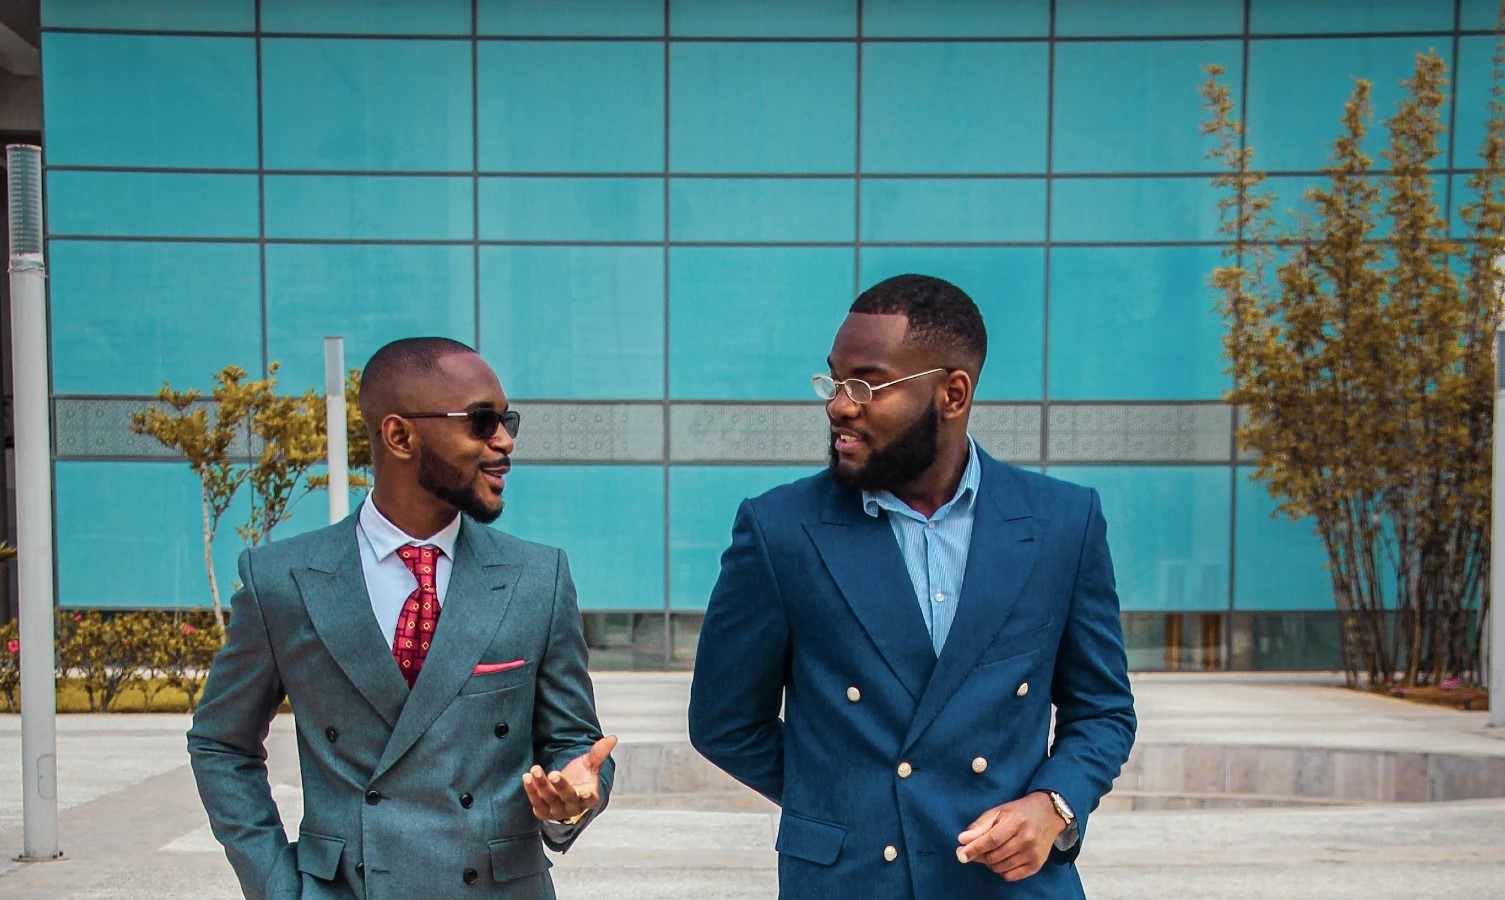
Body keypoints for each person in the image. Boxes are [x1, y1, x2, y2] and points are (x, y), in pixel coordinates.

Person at [688, 274, 1135, 898]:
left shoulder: (1063, 522)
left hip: (1010, 885)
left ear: (953, 394)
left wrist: (1054, 805)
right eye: (834, 381)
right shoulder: (779, 529)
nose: (840, 405)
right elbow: (724, 722)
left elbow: (1103, 710)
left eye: (867, 384)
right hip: (852, 882)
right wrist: (847, 800)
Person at [189, 337, 614, 899]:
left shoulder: (538, 577)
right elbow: (221, 744)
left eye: (507, 420)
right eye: (481, 422)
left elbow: (573, 740)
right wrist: (278, 885)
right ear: (400, 436)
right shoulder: (283, 581)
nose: (505, 440)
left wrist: (573, 797)